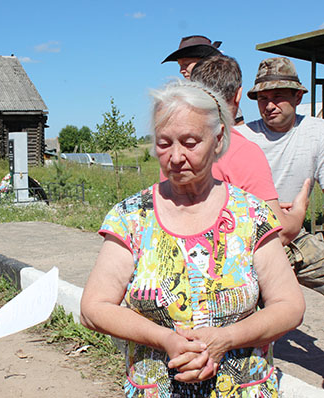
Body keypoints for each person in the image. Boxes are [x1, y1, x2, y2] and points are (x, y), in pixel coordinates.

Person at [80, 79, 305, 397]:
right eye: (164, 143)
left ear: (218, 140)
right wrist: (165, 339)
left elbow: (289, 306)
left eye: (189, 142)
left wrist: (226, 338)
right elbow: (93, 307)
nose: (174, 156)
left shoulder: (250, 214)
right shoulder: (131, 217)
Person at [188, 55, 309, 246]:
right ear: (238, 95)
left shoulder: (174, 150)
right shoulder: (242, 151)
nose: (270, 106)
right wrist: (298, 211)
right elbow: (279, 235)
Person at [235, 57, 324, 295]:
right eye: (263, 98)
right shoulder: (241, 136)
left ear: (298, 97)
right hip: (246, 239)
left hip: (296, 236)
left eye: (278, 96)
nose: (269, 105)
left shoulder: (317, 133)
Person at [162, 35, 244, 125]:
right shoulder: (181, 96)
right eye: (180, 65)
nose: (181, 70)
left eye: (186, 64)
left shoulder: (223, 92)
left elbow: (238, 128)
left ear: (205, 63)